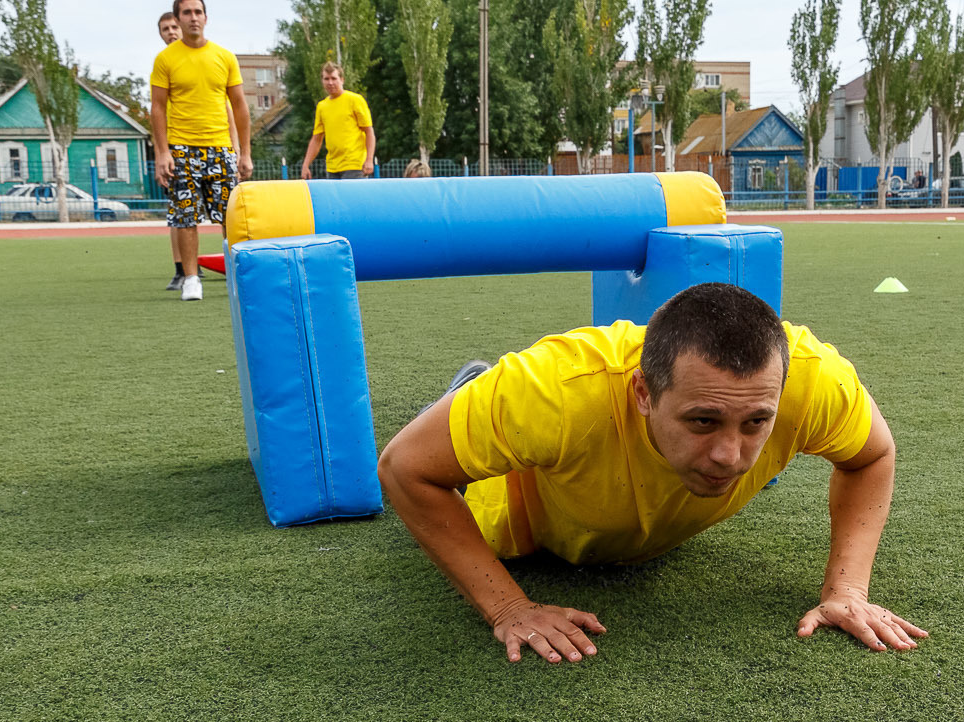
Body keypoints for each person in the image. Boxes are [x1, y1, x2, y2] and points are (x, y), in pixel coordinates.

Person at [377, 282, 927, 665]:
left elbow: (871, 455)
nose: (729, 456)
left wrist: (848, 589)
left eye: (756, 421)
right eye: (703, 421)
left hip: (644, 526)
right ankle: (470, 388)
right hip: (524, 527)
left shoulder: (812, 380)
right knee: (470, 426)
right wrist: (509, 607)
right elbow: (405, 469)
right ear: (642, 392)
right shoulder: (557, 391)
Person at [150, 0, 251, 301]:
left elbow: (239, 105)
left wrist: (244, 153)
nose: (193, 17)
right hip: (181, 149)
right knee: (186, 217)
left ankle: (236, 276)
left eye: (198, 12)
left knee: (229, 216)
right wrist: (162, 152)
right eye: (187, 12)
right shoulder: (165, 59)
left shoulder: (224, 57)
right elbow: (157, 108)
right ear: (178, 19)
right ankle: (191, 278)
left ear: (205, 17)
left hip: (220, 149)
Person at [300, 62, 376, 180]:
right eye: (326, 79)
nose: (330, 83)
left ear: (342, 80)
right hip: (332, 167)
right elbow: (316, 139)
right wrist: (305, 165)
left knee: (352, 198)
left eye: (334, 78)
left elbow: (369, 131)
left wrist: (369, 160)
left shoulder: (355, 100)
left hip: (354, 165)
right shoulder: (322, 106)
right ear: (322, 81)